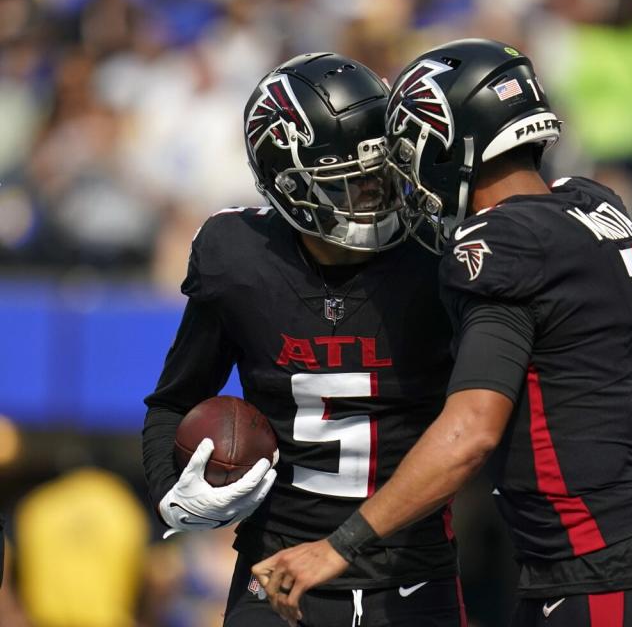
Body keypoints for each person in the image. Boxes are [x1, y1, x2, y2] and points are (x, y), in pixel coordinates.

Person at [252, 39, 632, 627]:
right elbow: (603, 438)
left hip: (601, 581)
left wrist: (337, 546)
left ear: (449, 145)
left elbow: (470, 434)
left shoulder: (503, 246)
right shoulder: (593, 209)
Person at [142, 52, 466, 627]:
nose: (376, 193)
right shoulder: (237, 260)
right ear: (288, 186)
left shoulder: (437, 260)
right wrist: (176, 492)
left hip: (411, 574)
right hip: (278, 571)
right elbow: (173, 400)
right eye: (352, 183)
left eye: (383, 174)